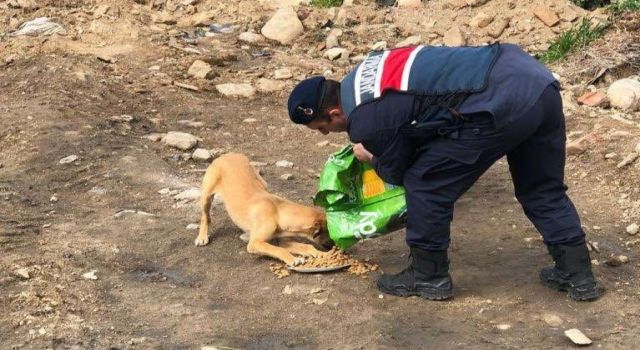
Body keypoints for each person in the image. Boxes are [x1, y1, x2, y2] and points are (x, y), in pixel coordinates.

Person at [286, 43, 599, 302]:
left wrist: (371, 153)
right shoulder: (365, 73)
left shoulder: (366, 121)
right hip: (534, 79)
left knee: (426, 184)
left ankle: (428, 276)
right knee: (541, 187)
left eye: (323, 128)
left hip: (498, 101)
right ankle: (578, 274)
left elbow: (397, 173)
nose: (327, 135)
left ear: (334, 113)